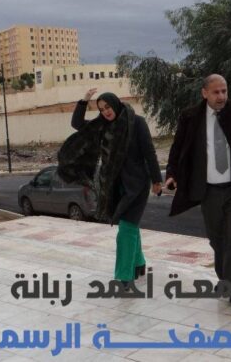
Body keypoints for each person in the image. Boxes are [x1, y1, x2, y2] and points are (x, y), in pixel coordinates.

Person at [165, 74, 231, 307]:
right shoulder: (190, 117)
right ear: (204, 93)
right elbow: (178, 148)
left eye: (224, 91)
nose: (221, 96)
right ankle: (226, 279)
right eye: (216, 92)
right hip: (208, 190)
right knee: (217, 240)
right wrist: (172, 174)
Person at [57, 88, 163, 286]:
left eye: (107, 107)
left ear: (115, 104)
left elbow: (149, 152)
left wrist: (157, 180)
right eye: (101, 109)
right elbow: (77, 124)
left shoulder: (136, 122)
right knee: (130, 226)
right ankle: (139, 263)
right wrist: (84, 100)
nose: (105, 111)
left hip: (137, 185)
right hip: (114, 185)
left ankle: (124, 276)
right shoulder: (102, 126)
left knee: (126, 228)